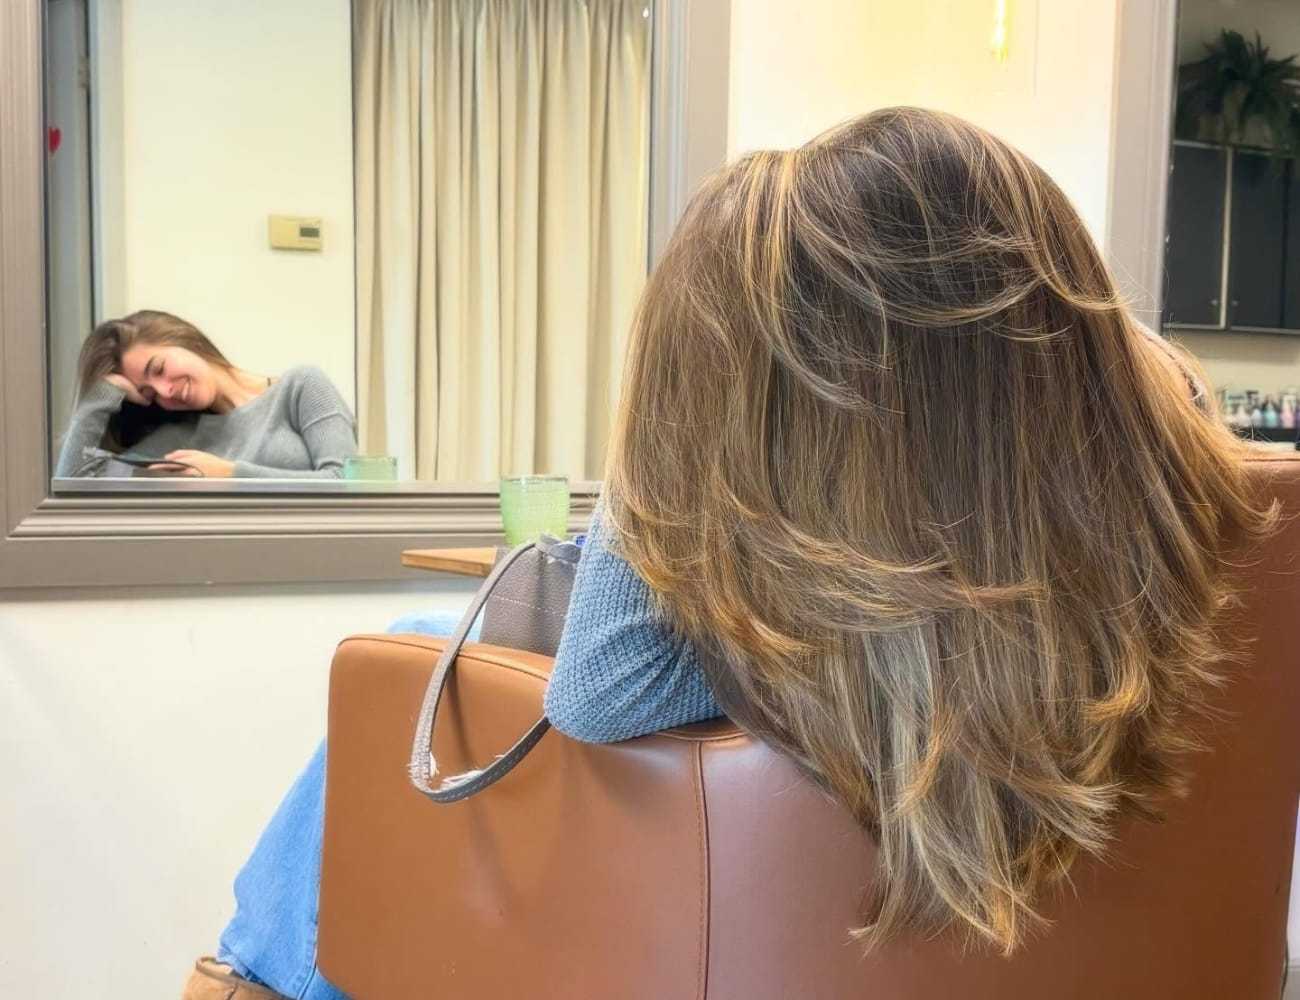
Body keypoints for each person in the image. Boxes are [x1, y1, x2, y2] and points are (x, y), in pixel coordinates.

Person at [182, 107, 1270, 998]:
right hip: (1117, 940)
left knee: (423, 649)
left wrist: (669, 426)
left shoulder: (813, 565)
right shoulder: (1176, 494)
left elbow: (598, 695)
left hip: (765, 922)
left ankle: (249, 980)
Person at [56, 310, 357, 478]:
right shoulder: (179, 438)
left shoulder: (300, 387)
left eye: (158, 368)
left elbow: (347, 482)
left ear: (181, 338)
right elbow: (74, 480)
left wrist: (229, 474)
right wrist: (102, 396)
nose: (165, 392)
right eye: (148, 392)